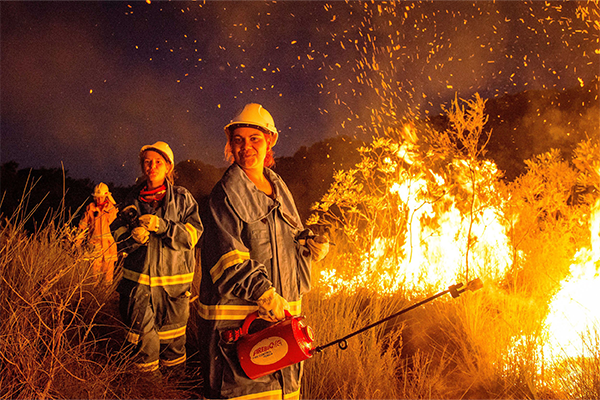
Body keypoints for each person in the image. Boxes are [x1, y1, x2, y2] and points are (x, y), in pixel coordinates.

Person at [197, 103, 330, 399]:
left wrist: (309, 248)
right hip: (240, 338)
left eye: (254, 139)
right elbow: (227, 259)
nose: (246, 147)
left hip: (283, 334)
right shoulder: (225, 194)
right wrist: (264, 293)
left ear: (269, 141)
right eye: (238, 139)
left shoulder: (279, 187)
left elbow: (291, 238)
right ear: (231, 144)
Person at [110, 141, 203, 378]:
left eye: (158, 162)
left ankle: (173, 388)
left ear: (168, 166)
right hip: (138, 286)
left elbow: (193, 234)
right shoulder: (131, 199)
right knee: (143, 342)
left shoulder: (183, 199)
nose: (152, 167)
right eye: (147, 162)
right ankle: (147, 388)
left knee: (173, 343)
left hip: (173, 290)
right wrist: (132, 238)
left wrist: (164, 227)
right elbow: (117, 234)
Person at [77, 182, 118, 286]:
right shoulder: (90, 209)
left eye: (101, 197)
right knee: (92, 276)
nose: (99, 199)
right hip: (94, 247)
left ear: (106, 196)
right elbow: (82, 227)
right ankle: (92, 297)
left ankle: (105, 298)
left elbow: (117, 222)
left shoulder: (111, 209)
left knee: (108, 277)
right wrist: (77, 244)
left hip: (108, 247)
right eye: (97, 197)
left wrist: (112, 202)